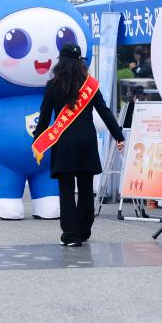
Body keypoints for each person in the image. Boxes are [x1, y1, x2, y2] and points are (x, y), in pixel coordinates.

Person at [33, 43, 125, 247]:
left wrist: (37, 141)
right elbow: (105, 112)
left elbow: (45, 116)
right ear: (80, 63)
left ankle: (71, 235)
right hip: (87, 142)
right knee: (85, 187)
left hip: (64, 143)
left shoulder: (53, 85)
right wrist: (119, 136)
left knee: (66, 188)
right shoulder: (90, 86)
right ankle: (83, 230)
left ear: (60, 62)